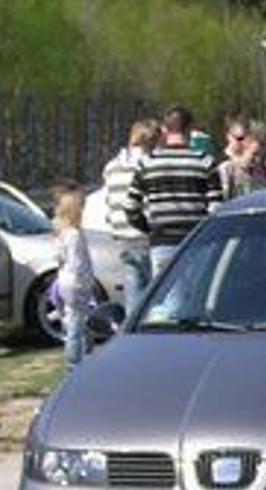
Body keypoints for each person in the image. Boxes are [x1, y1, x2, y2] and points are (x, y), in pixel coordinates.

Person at [125, 105, 222, 277]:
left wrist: (151, 229)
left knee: (166, 300)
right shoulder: (205, 162)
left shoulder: (147, 163)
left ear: (164, 129)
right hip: (197, 242)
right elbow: (216, 209)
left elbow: (131, 207)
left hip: (162, 243)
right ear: (190, 128)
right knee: (196, 299)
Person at [102, 118, 157, 314]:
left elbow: (109, 202)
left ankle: (135, 337)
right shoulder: (148, 165)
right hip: (145, 236)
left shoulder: (111, 167)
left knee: (133, 295)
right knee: (157, 295)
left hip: (122, 236)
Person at [52, 184, 95, 368]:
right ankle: (74, 362)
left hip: (65, 281)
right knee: (77, 324)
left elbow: (59, 258)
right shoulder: (75, 235)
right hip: (77, 283)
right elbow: (78, 263)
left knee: (74, 321)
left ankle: (83, 355)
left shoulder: (61, 233)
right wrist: (88, 283)